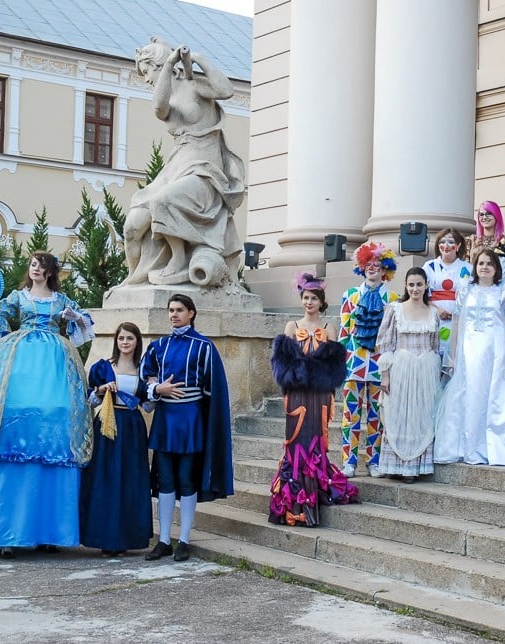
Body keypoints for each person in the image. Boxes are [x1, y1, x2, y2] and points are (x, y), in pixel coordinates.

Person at [0, 252, 94, 559]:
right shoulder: (17, 298)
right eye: (32, 265)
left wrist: (75, 318)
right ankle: (6, 532)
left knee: (56, 421)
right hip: (19, 360)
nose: (34, 269)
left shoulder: (62, 301)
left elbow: (85, 328)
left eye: (40, 265)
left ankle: (50, 532)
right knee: (11, 419)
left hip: (55, 365)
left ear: (50, 271)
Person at [123, 37, 246, 288]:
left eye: (147, 72)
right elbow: (159, 107)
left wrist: (198, 59)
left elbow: (226, 91)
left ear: (157, 66)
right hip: (177, 165)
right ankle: (134, 280)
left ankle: (178, 257)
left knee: (162, 201)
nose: (146, 79)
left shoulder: (196, 86)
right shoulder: (165, 95)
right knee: (132, 227)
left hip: (204, 169)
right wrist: (169, 63)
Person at [142, 294, 234, 562]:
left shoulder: (204, 346)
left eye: (179, 310)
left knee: (186, 479)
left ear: (191, 313)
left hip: (191, 421)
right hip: (165, 419)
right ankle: (163, 540)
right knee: (165, 480)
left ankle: (183, 539)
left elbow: (212, 389)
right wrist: (157, 388)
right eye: (171, 310)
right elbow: (145, 378)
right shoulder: (158, 346)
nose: (174, 314)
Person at [269, 274, 359, 526]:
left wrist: (312, 370)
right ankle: (295, 498)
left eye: (314, 298)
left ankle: (316, 489)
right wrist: (302, 371)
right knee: (295, 439)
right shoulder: (291, 326)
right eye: (306, 297)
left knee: (316, 438)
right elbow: (281, 365)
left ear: (321, 302)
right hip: (297, 393)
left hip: (318, 394)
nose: (309, 302)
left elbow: (334, 365)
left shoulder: (329, 327)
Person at [435, 250, 505, 466]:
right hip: (469, 347)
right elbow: (457, 321)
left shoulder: (504, 289)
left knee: (492, 393)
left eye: (489, 264)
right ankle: (465, 446)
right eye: (481, 263)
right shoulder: (466, 288)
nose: (484, 267)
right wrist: (454, 352)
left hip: (495, 346)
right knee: (469, 392)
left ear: (496, 268)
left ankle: (494, 447)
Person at [79, 322, 153, 556]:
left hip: (132, 428)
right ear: (116, 341)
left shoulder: (143, 371)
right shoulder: (103, 368)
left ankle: (125, 538)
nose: (125, 342)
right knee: (106, 479)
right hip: (107, 427)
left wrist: (157, 391)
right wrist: (101, 390)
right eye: (121, 338)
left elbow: (148, 406)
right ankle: (104, 537)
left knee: (129, 480)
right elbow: (90, 401)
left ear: (137, 342)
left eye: (129, 338)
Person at [375, 267, 441, 482]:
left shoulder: (433, 312)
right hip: (401, 366)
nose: (415, 288)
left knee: (421, 414)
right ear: (405, 285)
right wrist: (385, 374)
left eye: (419, 284)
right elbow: (386, 343)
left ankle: (414, 467)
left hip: (426, 368)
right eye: (411, 284)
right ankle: (394, 464)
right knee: (399, 413)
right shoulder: (395, 310)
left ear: (426, 286)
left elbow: (435, 344)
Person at [338, 242, 398, 478]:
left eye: (378, 265)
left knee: (376, 415)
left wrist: (391, 367)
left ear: (385, 270)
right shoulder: (350, 295)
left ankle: (374, 460)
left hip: (380, 363)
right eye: (368, 264)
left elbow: (394, 335)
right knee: (350, 415)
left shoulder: (393, 298)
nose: (373, 268)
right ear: (362, 267)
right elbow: (344, 330)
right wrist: (338, 362)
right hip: (353, 362)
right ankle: (348, 462)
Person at [422, 229, 472, 375]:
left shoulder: (467, 268)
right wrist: (436, 309)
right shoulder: (429, 266)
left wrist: (457, 312)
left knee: (454, 354)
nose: (446, 245)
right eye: (442, 242)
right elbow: (423, 293)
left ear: (458, 245)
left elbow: (469, 293)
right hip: (433, 317)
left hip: (458, 318)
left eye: (451, 242)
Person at [465, 200, 505, 271]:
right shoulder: (470, 240)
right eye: (481, 214)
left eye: (488, 213)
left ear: (496, 215)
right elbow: (464, 268)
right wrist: (472, 256)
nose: (484, 217)